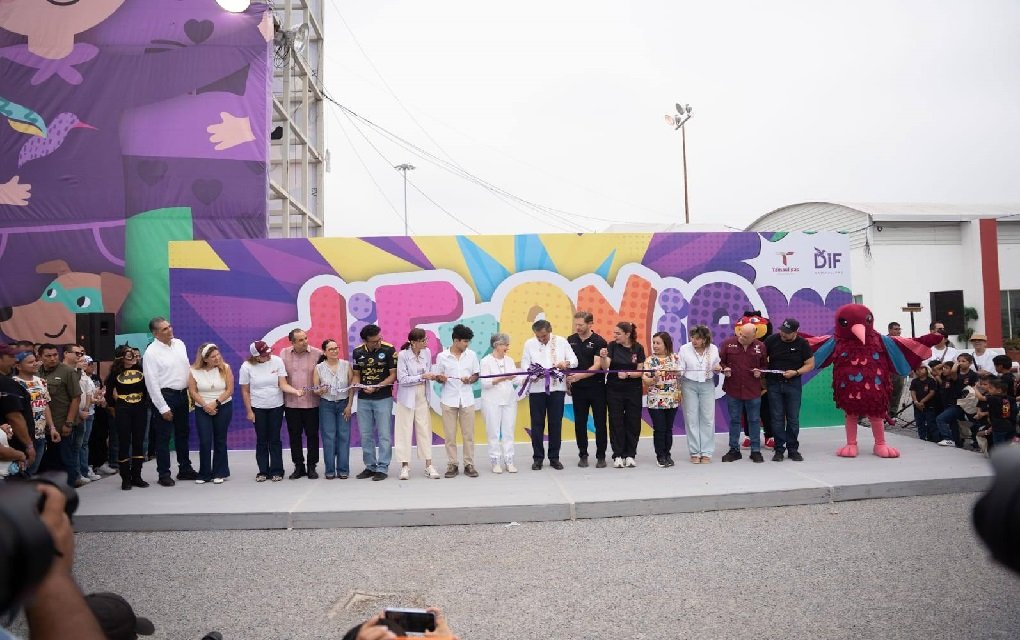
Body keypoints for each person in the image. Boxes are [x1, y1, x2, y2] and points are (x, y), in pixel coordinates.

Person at [142, 317, 196, 487]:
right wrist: (162, 407)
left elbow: (187, 369)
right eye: (165, 329)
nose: (170, 330)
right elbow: (151, 383)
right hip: (165, 396)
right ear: (155, 333)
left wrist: (192, 393)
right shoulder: (151, 353)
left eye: (169, 326)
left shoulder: (180, 344)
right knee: (163, 437)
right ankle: (163, 474)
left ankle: (185, 469)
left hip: (182, 395)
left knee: (183, 434)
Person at [240, 341, 304, 482]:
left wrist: (295, 391)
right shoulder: (246, 367)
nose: (268, 356)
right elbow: (245, 391)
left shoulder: (277, 361)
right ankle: (263, 471)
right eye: (264, 355)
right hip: (258, 407)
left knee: (275, 439)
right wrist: (249, 411)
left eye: (269, 352)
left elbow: (283, 384)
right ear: (256, 356)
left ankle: (277, 470)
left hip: (276, 406)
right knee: (261, 439)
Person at [521, 319, 578, 470]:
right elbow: (525, 364)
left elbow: (574, 360)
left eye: (544, 336)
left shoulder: (561, 341)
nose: (541, 339)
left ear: (550, 331)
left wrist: (566, 363)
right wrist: (533, 372)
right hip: (536, 390)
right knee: (537, 424)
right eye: (538, 336)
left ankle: (554, 458)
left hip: (557, 389)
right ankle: (538, 458)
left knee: (555, 424)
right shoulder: (529, 344)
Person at [349, 324, 398, 481]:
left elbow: (393, 375)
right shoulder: (357, 352)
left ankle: (382, 467)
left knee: (384, 435)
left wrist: (377, 386)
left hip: (383, 398)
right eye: (374, 341)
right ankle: (370, 466)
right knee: (365, 435)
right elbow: (356, 374)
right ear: (365, 341)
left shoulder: (389, 349)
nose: (378, 343)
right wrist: (356, 383)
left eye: (379, 339)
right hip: (364, 399)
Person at [763, 318, 814, 462]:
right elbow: (761, 357)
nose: (783, 334)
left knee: (793, 418)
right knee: (777, 417)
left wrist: (796, 372)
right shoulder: (771, 340)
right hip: (774, 383)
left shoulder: (802, 343)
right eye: (782, 330)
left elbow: (810, 364)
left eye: (787, 332)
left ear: (796, 332)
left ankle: (793, 449)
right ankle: (779, 449)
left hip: (793, 383)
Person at [434, 324, 481, 478]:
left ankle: (469, 464)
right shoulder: (442, 356)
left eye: (468, 341)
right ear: (456, 340)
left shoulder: (471, 355)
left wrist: (470, 380)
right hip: (449, 400)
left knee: (469, 435)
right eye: (465, 341)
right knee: (450, 435)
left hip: (467, 399)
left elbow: (476, 374)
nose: (467, 344)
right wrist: (441, 379)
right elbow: (438, 377)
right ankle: (452, 464)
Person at [394, 329, 440, 480]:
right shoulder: (403, 355)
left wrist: (432, 376)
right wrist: (421, 376)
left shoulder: (427, 352)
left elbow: (429, 371)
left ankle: (429, 465)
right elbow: (402, 379)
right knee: (404, 430)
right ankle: (405, 466)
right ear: (413, 342)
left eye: (426, 339)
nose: (426, 343)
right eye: (423, 340)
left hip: (422, 396)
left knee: (424, 430)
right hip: (406, 398)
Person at [600, 321, 646, 468]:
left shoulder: (638, 348)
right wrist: (603, 357)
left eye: (618, 333)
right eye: (614, 333)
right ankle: (618, 455)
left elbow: (640, 371)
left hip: (633, 389)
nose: (615, 336)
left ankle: (630, 455)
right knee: (616, 421)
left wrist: (627, 374)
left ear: (627, 334)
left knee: (633, 421)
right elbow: (605, 367)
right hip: (614, 389)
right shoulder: (612, 346)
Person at [566, 311, 609, 468]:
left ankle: (601, 456)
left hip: (597, 388)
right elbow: (567, 363)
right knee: (580, 423)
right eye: (576, 324)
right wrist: (568, 382)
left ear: (590, 324)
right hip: (578, 390)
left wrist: (579, 376)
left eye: (581, 325)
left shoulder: (599, 341)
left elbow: (597, 365)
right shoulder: (570, 340)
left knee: (600, 423)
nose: (577, 327)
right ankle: (583, 455)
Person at [104, 345, 150, 490]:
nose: (134, 357)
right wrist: (114, 407)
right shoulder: (115, 373)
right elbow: (108, 393)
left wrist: (144, 403)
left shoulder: (141, 370)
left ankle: (137, 476)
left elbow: (148, 388)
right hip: (123, 409)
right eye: (130, 355)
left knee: (138, 441)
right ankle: (125, 478)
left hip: (140, 408)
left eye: (135, 355)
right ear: (121, 357)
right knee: (124, 442)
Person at [720, 323, 767, 463]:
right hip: (733, 389)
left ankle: (756, 451)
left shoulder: (760, 346)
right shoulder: (728, 344)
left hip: (753, 390)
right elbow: (720, 362)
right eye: (740, 334)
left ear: (754, 336)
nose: (741, 337)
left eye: (745, 336)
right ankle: (734, 450)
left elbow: (765, 366)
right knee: (734, 420)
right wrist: (724, 369)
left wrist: (760, 372)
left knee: (754, 420)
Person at [188, 343, 233, 484]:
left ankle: (219, 472)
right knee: (205, 440)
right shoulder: (193, 371)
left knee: (220, 439)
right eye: (213, 356)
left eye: (218, 355)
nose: (217, 358)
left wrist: (216, 403)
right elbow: (192, 391)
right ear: (205, 359)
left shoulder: (225, 368)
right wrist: (205, 405)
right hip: (202, 408)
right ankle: (204, 473)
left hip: (223, 406)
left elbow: (229, 390)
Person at [280, 328, 322, 480]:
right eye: (300, 340)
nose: (305, 342)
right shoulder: (283, 354)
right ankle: (298, 466)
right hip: (291, 403)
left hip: (312, 403)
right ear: (292, 342)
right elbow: (281, 378)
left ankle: (312, 466)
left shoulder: (318, 354)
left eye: (305, 338)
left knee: (312, 436)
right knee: (294, 436)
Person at [38, 344, 82, 486]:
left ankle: (68, 490)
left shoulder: (67, 372)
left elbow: (76, 398)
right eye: (48, 356)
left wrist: (68, 423)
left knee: (64, 459)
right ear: (40, 357)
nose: (52, 358)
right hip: (40, 426)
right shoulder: (36, 372)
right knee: (46, 461)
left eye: (55, 355)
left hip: (61, 424)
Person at [677, 325, 721, 464]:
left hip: (707, 384)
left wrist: (718, 369)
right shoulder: (684, 349)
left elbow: (717, 366)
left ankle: (707, 452)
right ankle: (695, 452)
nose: (694, 341)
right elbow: (680, 368)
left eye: (698, 338)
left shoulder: (713, 349)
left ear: (705, 339)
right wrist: (676, 371)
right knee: (691, 418)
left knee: (708, 418)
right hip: (688, 384)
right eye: (692, 337)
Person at [480, 333, 520, 474]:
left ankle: (509, 460)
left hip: (509, 400)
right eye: (505, 345)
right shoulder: (485, 361)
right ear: (497, 345)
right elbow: (485, 383)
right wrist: (503, 378)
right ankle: (495, 461)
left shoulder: (509, 360)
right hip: (492, 401)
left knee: (509, 431)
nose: (507, 348)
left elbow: (515, 379)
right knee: (493, 432)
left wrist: (530, 378)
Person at [12, 351, 58, 475]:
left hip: (40, 433)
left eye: (35, 361)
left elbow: (45, 404)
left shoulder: (41, 381)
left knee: (33, 469)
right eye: (30, 362)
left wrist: (52, 427)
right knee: (20, 471)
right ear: (18, 366)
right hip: (23, 435)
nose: (34, 364)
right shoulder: (14, 383)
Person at [314, 339, 354, 480]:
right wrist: (320, 390)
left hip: (343, 403)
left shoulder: (346, 365)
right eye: (331, 349)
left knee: (344, 435)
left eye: (336, 348)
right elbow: (315, 389)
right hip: (327, 405)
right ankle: (330, 470)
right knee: (329, 437)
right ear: (325, 352)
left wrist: (349, 405)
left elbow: (351, 387)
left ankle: (343, 469)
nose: (335, 351)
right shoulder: (319, 368)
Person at [642, 331, 681, 467]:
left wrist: (678, 374)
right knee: (660, 429)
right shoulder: (649, 361)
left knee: (669, 429)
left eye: (658, 343)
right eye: (654, 343)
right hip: (656, 401)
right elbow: (646, 381)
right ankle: (660, 456)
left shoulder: (675, 358)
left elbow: (680, 376)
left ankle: (667, 454)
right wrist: (654, 379)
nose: (655, 346)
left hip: (672, 400)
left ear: (666, 344)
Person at [0, 344, 36, 476]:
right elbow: (15, 418)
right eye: (11, 356)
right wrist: (28, 445)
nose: (15, 360)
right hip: (10, 451)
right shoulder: (6, 384)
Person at [934, 353, 980, 447]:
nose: (960, 363)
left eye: (963, 361)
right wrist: (949, 363)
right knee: (949, 421)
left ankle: (976, 441)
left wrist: (955, 364)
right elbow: (938, 370)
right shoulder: (955, 373)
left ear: (970, 363)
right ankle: (952, 440)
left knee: (973, 423)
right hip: (957, 403)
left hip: (968, 403)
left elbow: (975, 388)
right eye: (959, 361)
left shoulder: (973, 375)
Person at [76, 355, 100, 482]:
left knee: (84, 444)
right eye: (86, 363)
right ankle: (79, 472)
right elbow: (80, 396)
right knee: (79, 444)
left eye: (90, 363)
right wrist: (84, 409)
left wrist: (97, 397)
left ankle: (85, 470)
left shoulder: (88, 377)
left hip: (90, 412)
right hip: (81, 413)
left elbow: (90, 395)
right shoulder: (78, 377)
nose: (89, 366)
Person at [909, 364, 939, 442]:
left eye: (922, 368)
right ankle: (922, 438)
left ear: (926, 370)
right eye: (917, 369)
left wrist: (922, 401)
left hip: (929, 405)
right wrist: (916, 401)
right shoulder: (914, 381)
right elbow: (913, 392)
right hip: (917, 405)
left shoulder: (931, 380)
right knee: (919, 422)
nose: (919, 370)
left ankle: (935, 438)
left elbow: (932, 392)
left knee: (931, 422)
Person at [984, 379, 1017, 447]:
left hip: (999, 428)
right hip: (1011, 426)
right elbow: (1014, 411)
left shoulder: (993, 398)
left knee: (999, 446)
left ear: (999, 390)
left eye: (990, 388)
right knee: (1009, 445)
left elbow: (981, 398)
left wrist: (974, 388)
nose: (988, 390)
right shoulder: (1011, 399)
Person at [886, 322, 908, 425]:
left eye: (899, 329)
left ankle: (893, 413)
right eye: (896, 329)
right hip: (887, 371)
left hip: (899, 371)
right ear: (890, 330)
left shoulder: (903, 341)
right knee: (886, 393)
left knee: (897, 392)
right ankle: (884, 414)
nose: (898, 331)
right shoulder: (884, 341)